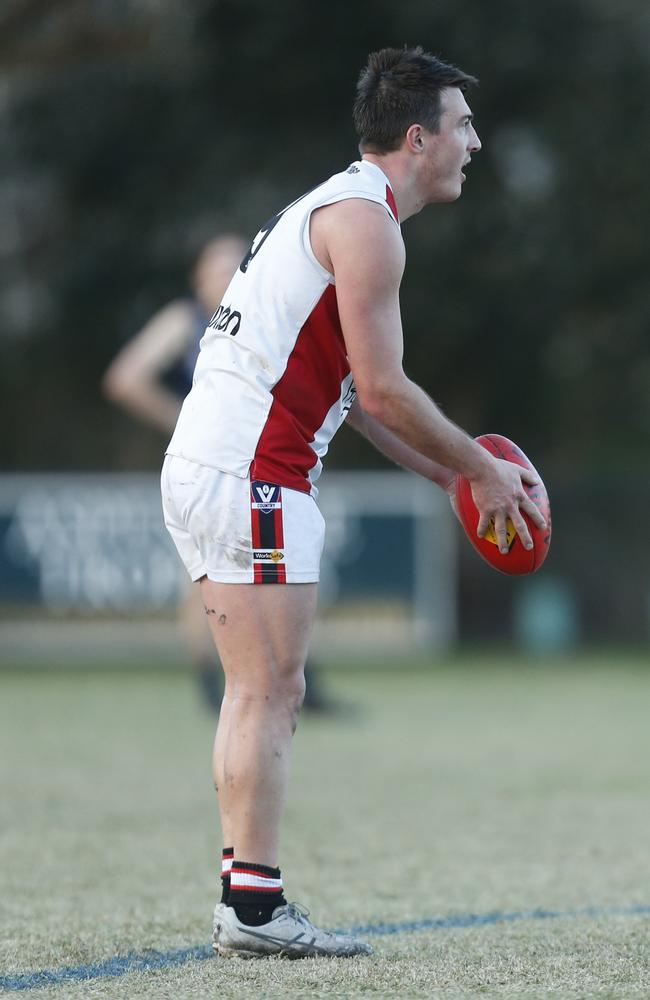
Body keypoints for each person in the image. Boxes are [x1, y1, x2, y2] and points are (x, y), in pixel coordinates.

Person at [161, 46, 547, 959]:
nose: (475, 143)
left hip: (220, 464)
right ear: (418, 137)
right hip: (251, 470)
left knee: (258, 691)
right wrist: (483, 470)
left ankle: (245, 899)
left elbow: (355, 404)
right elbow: (383, 391)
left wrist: (454, 476)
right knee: (269, 690)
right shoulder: (368, 223)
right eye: (462, 126)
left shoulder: (335, 205)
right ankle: (254, 909)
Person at [103, 236, 338, 713]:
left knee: (282, 567)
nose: (229, 276)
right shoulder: (186, 319)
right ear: (198, 277)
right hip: (212, 469)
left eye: (238, 266)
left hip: (262, 466)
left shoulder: (257, 317)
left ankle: (292, 679)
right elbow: (126, 378)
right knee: (209, 579)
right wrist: (185, 419)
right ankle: (216, 686)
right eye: (218, 268)